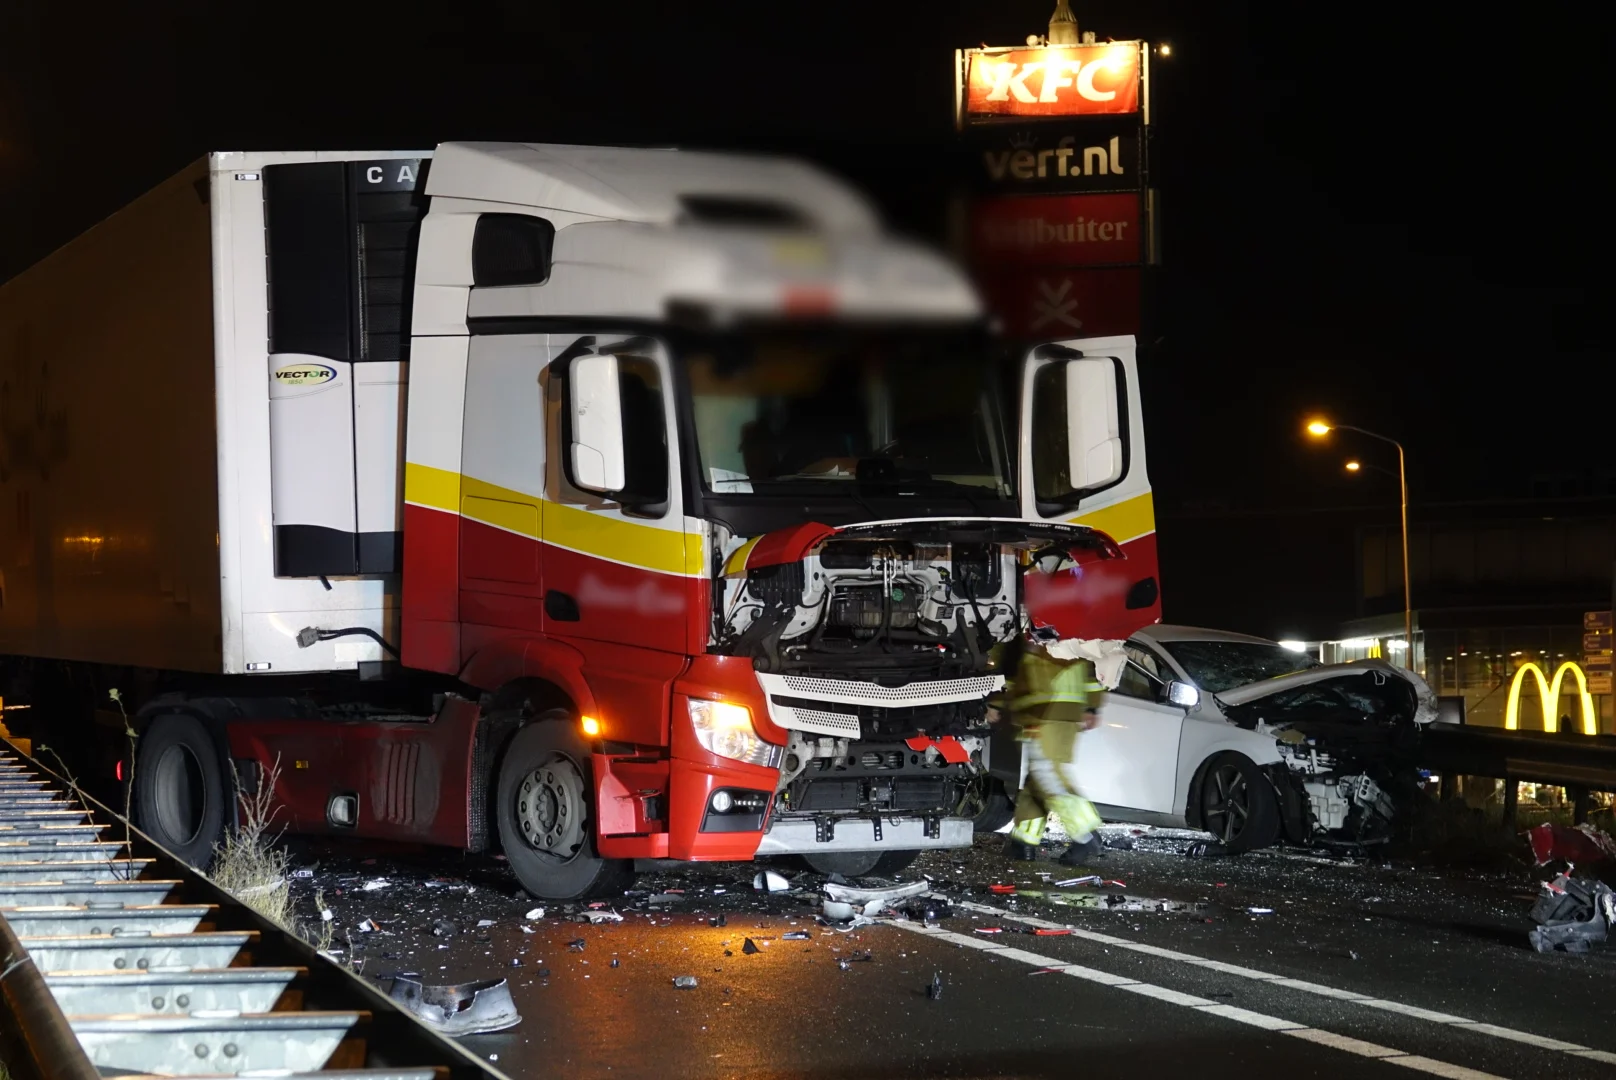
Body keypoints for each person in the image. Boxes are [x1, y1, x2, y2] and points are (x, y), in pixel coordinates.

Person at [994, 628, 1105, 864]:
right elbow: (1092, 666)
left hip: (1041, 711)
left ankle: (1085, 834)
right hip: (1069, 711)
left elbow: (1008, 670)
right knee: (1038, 778)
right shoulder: (1071, 626)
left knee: (1047, 776)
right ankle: (1023, 841)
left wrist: (994, 703)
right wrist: (1092, 706)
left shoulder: (1021, 629)